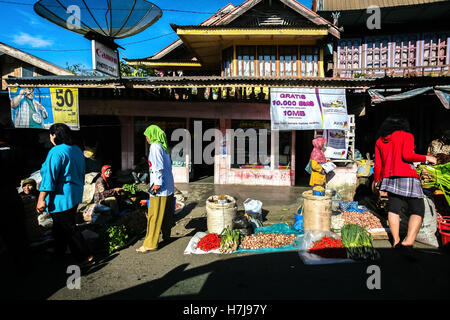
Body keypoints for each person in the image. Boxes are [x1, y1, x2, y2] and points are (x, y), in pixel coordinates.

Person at [373, 115, 437, 250]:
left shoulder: (380, 141)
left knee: (393, 209)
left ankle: (396, 241)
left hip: (389, 178)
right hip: (407, 175)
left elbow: (378, 164)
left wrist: (377, 181)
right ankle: (408, 242)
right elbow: (407, 155)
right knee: (418, 209)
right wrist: (427, 158)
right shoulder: (406, 135)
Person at [37, 123, 93, 264]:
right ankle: (58, 254)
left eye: (50, 134)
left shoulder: (56, 152)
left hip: (61, 197)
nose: (50, 137)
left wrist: (41, 198)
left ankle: (85, 255)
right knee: (59, 227)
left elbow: (50, 177)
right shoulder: (76, 150)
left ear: (55, 135)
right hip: (74, 194)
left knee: (68, 227)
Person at [136, 125, 175, 253]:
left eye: (147, 136)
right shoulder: (164, 147)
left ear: (152, 135)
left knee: (154, 214)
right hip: (168, 185)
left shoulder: (155, 146)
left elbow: (157, 166)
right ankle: (167, 235)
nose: (147, 139)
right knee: (167, 213)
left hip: (160, 186)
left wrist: (157, 183)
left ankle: (150, 244)